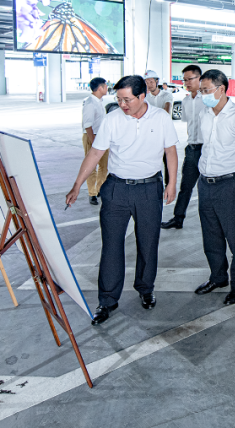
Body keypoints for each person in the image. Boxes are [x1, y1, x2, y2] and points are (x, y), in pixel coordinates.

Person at [66, 75, 178, 325]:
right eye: (118, 99)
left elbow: (170, 150)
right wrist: (77, 185)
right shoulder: (112, 119)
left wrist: (171, 183)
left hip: (149, 189)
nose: (122, 104)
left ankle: (146, 288)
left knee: (148, 242)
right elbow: (96, 153)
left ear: (142, 96)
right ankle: (107, 300)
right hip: (116, 188)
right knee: (111, 245)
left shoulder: (160, 118)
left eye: (127, 100)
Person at [193, 70, 235, 306]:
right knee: (211, 236)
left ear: (221, 89)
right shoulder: (204, 114)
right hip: (205, 183)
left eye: (206, 90)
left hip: (229, 184)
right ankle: (218, 277)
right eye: (201, 91)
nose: (203, 95)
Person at [163, 65, 204, 230]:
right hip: (191, 149)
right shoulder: (186, 101)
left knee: (206, 189)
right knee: (185, 186)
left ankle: (211, 222)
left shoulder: (208, 100)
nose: (186, 83)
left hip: (206, 149)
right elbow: (189, 125)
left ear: (199, 78)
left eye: (190, 79)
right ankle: (178, 218)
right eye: (184, 80)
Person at [80, 77, 109, 206]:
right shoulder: (90, 103)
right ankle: (92, 193)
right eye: (106, 86)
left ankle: (100, 190)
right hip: (91, 137)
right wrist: (94, 143)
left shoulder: (99, 101)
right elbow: (87, 125)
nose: (107, 88)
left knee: (104, 166)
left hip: (102, 137)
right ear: (100, 88)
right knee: (91, 166)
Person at [144, 70, 175, 185]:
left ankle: (168, 185)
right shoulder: (145, 98)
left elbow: (166, 112)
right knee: (151, 162)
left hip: (165, 134)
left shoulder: (166, 95)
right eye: (147, 82)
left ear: (157, 81)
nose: (149, 84)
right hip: (150, 135)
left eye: (151, 82)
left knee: (168, 162)